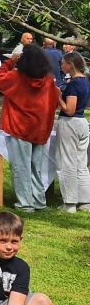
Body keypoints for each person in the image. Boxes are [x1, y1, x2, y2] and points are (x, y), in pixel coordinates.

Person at [0, 44, 61, 212]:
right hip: (40, 128)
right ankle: (38, 201)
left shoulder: (16, 77)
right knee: (36, 167)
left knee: (21, 167)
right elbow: (54, 103)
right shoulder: (48, 81)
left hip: (20, 127)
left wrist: (11, 61)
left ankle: (25, 203)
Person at [56, 52, 90, 212]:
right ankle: (85, 202)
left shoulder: (73, 85)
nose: (61, 66)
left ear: (71, 65)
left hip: (70, 123)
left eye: (63, 63)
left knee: (67, 162)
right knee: (81, 164)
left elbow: (69, 110)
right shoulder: (86, 81)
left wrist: (58, 96)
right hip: (82, 122)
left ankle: (69, 203)